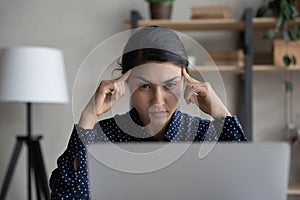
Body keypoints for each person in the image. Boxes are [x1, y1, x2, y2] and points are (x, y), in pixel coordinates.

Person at [49, 26, 247, 199]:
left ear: (186, 82)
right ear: (125, 83)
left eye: (170, 85)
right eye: (144, 86)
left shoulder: (206, 136)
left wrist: (221, 113)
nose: (158, 100)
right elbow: (67, 196)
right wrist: (89, 115)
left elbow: (247, 188)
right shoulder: (103, 137)